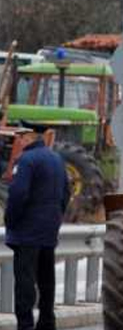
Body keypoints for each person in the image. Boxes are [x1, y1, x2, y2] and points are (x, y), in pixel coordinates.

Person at [3, 122, 70, 330]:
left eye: (21, 136)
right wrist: (55, 218)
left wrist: (10, 221)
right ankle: (47, 323)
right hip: (49, 231)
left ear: (29, 136)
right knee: (46, 280)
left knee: (25, 282)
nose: (19, 140)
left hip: (27, 232)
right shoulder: (56, 159)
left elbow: (18, 194)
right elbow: (66, 193)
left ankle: (25, 325)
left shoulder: (26, 160)